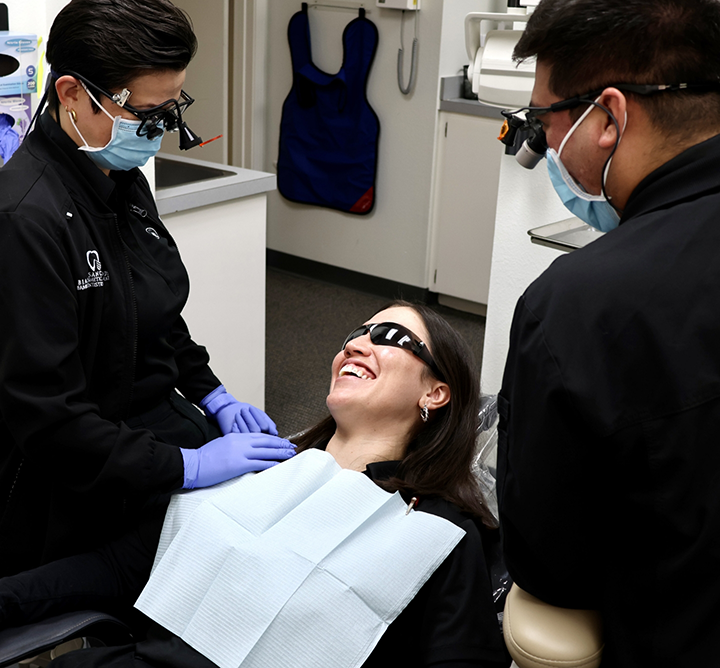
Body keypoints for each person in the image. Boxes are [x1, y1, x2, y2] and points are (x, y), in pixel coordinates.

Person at [0, 301, 510, 668]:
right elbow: (113, 568)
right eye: (355, 333)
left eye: (391, 338)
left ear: (437, 392)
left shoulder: (436, 530)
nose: (357, 343)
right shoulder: (252, 471)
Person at [0, 0, 294, 578]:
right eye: (146, 115)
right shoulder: (23, 220)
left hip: (150, 429)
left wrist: (214, 396)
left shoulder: (122, 181)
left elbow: (153, 312)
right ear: (71, 94)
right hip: (73, 472)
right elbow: (52, 423)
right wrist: (188, 467)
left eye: (169, 110)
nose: (158, 133)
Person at [495, 1, 720, 666]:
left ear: (610, 117)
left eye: (543, 121)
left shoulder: (578, 306)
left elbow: (550, 565)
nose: (539, 144)